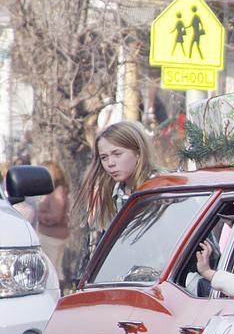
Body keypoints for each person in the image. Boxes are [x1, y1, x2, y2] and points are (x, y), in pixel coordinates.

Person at [71, 121, 159, 283]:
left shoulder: (163, 189)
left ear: (138, 152)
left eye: (117, 154)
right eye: (104, 157)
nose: (110, 163)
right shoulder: (115, 195)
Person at [36, 161, 70, 289]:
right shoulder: (56, 191)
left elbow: (56, 216)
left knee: (51, 269)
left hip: (52, 236)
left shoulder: (57, 192)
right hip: (54, 235)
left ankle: (55, 294)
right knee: (56, 268)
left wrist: (40, 216)